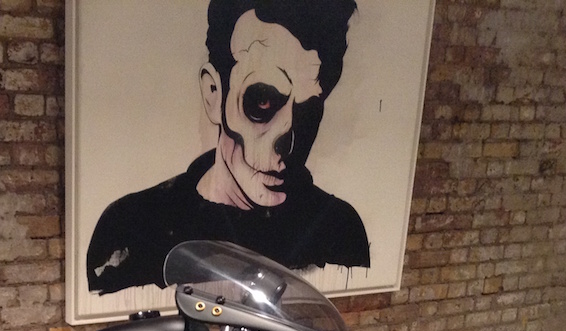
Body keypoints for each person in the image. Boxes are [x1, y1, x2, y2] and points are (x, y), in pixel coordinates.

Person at [87, 0, 369, 295]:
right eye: (263, 101)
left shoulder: (337, 229)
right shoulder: (130, 227)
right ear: (214, 94)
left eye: (308, 111)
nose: (287, 142)